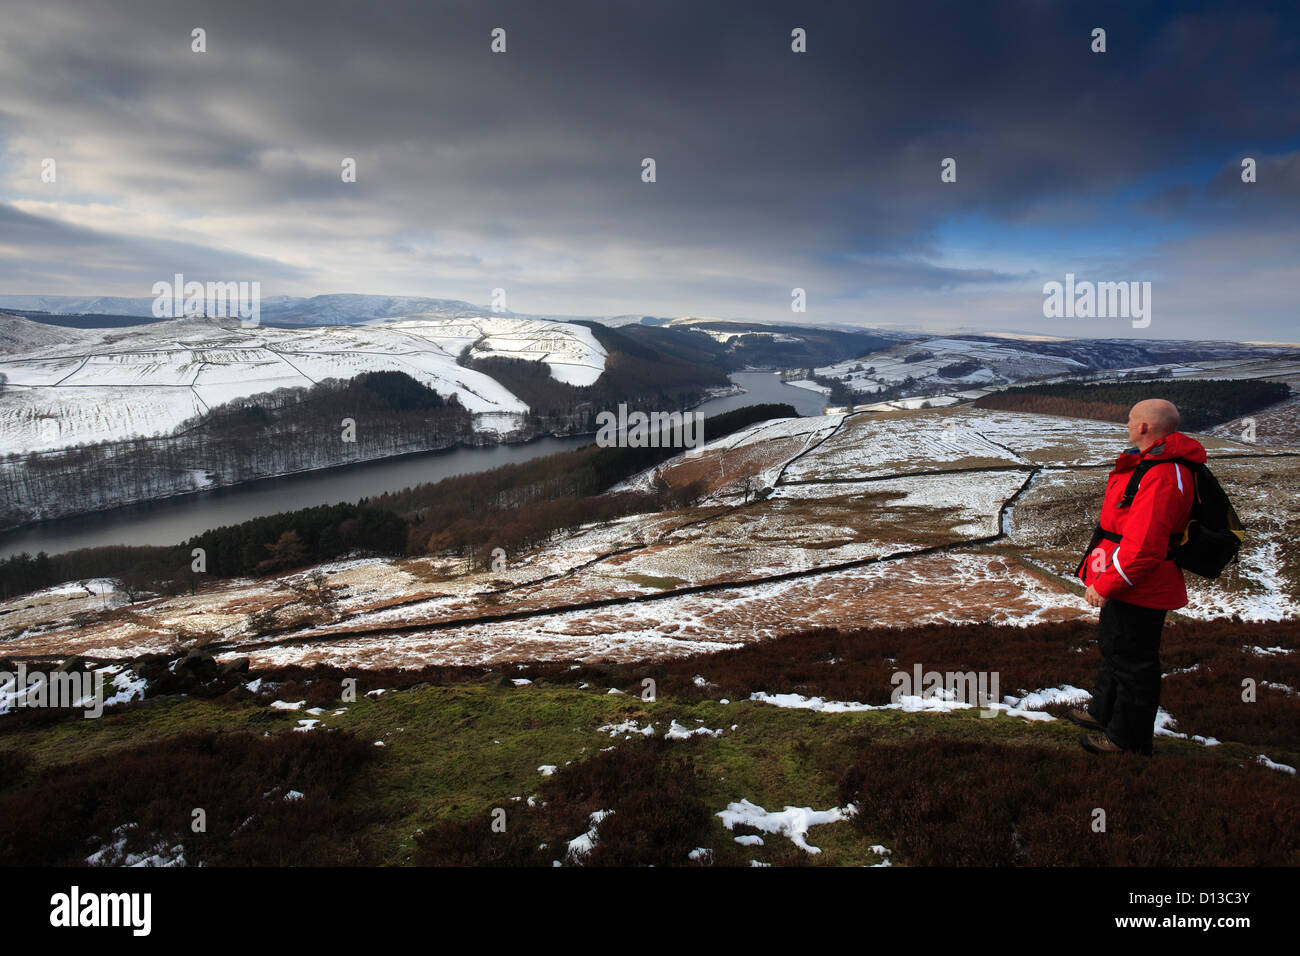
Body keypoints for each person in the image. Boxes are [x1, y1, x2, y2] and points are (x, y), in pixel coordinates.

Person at [1070, 399, 1201, 756]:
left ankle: (1127, 740)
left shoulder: (1161, 475)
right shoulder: (1153, 465)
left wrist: (1106, 584)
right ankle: (1103, 713)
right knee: (1115, 648)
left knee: (1134, 662)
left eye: (1130, 420)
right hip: (1131, 581)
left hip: (1140, 585)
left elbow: (1144, 546)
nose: (1126, 425)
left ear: (1144, 427)